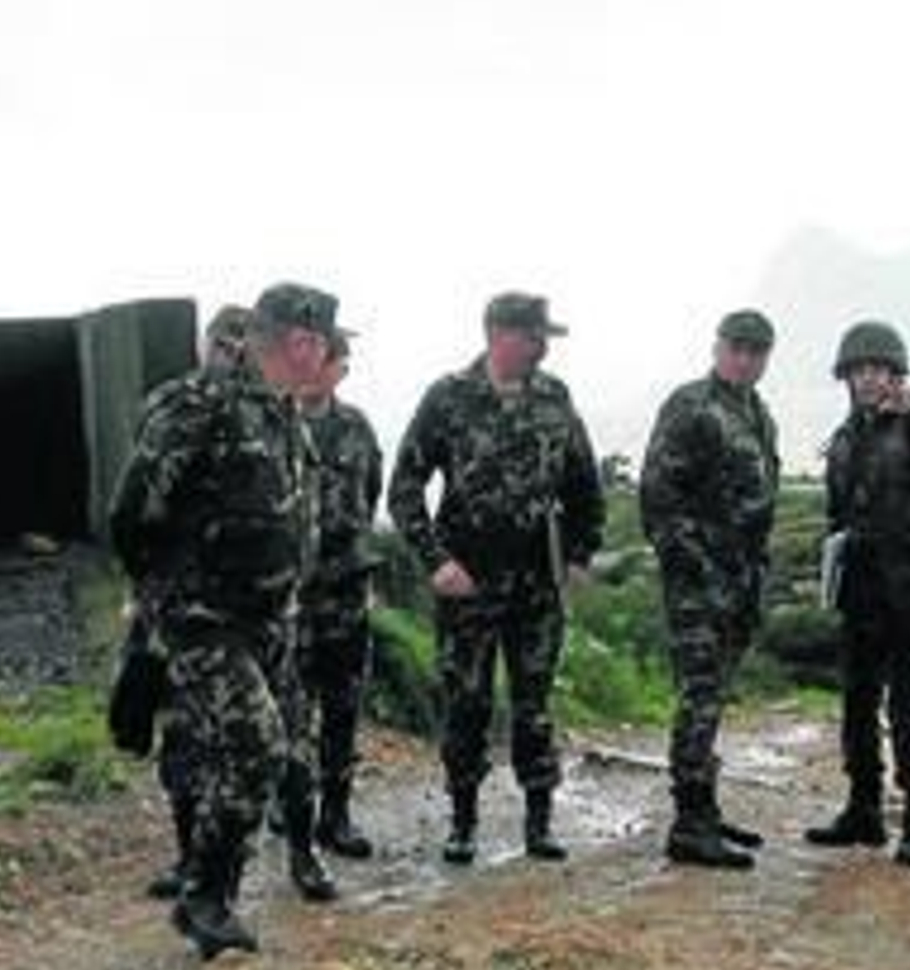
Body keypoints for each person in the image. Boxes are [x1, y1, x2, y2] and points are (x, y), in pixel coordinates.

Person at [109, 283, 341, 959]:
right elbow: (132, 510)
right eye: (322, 343)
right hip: (204, 617)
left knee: (275, 751)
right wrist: (158, 597)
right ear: (300, 342)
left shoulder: (281, 410)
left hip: (270, 618)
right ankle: (204, 898)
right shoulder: (200, 403)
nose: (326, 354)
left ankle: (217, 891)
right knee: (256, 745)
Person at [388, 292, 604, 866]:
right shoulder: (449, 397)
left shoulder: (555, 397)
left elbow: (584, 482)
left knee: (535, 703)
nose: (542, 348)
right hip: (469, 582)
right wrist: (435, 561)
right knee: (467, 702)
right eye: (533, 337)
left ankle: (539, 823)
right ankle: (463, 822)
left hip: (536, 582)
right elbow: (405, 486)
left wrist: (581, 552)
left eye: (544, 339)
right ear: (498, 334)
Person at [804, 322, 910, 868]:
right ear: (847, 377)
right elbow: (837, 514)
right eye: (859, 370)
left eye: (878, 369)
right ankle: (863, 809)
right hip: (863, 594)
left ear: (896, 375)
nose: (869, 379)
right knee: (857, 706)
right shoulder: (845, 439)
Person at [639, 309, 779, 870]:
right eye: (736, 347)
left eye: (756, 351)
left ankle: (706, 808)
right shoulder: (691, 406)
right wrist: (695, 568)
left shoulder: (757, 413)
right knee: (698, 696)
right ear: (718, 348)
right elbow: (658, 497)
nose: (744, 359)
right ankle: (689, 824)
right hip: (699, 585)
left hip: (742, 581)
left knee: (715, 697)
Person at [132, 304, 253, 902]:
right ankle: (189, 860)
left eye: (239, 346)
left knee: (239, 741)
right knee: (183, 734)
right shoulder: (172, 403)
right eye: (223, 344)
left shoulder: (259, 413)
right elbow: (137, 504)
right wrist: (147, 585)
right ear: (207, 343)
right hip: (182, 601)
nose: (230, 355)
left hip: (241, 607)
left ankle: (218, 869)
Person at [296, 331, 384, 859]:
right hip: (290, 597)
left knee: (342, 710)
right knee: (291, 710)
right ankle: (291, 810)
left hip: (346, 593)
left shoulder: (356, 428)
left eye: (338, 363)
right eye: (325, 360)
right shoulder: (275, 424)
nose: (327, 370)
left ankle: (336, 815)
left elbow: (369, 494)